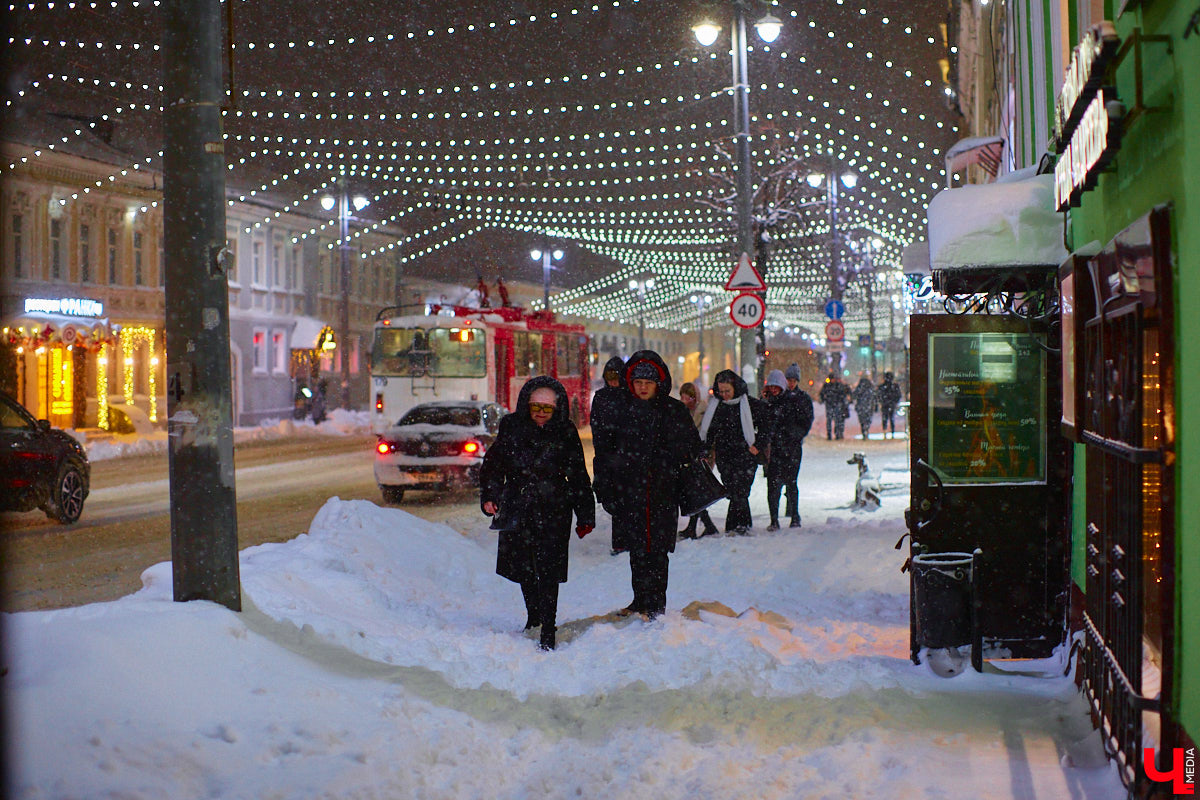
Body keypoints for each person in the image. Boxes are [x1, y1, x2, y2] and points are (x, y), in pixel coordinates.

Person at [479, 376, 595, 651]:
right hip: (517, 505)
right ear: (526, 405)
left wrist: (585, 513)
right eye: (536, 407)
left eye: (547, 409)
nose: (541, 413)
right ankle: (534, 617)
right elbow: (494, 464)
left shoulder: (565, 431)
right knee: (524, 567)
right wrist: (490, 496)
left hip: (554, 507)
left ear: (557, 409)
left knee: (549, 568)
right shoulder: (512, 426)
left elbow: (578, 474)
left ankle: (548, 627)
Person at [606, 350, 702, 619]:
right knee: (637, 550)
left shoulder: (674, 410)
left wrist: (669, 458)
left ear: (658, 383)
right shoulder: (622, 411)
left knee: (658, 551)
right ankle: (640, 600)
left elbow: (691, 447)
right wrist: (608, 485)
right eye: (638, 382)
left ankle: (656, 605)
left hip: (663, 491)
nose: (643, 388)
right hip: (631, 491)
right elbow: (608, 451)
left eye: (648, 383)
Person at [700, 369, 770, 534]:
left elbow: (766, 426)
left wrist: (758, 445)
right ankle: (740, 525)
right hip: (725, 455)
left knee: (741, 490)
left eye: (727, 391)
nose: (724, 395)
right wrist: (705, 449)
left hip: (746, 454)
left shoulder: (750, 405)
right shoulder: (717, 407)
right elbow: (710, 431)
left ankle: (737, 525)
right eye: (721, 391)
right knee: (732, 490)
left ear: (735, 388)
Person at [763, 366, 814, 530]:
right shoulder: (774, 401)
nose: (791, 383)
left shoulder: (797, 400)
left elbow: (804, 421)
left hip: (790, 447)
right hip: (778, 448)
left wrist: (793, 436)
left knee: (790, 483)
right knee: (775, 484)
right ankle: (776, 518)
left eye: (793, 380)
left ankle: (793, 515)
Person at [589, 356, 628, 555]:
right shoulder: (601, 397)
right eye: (610, 377)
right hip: (607, 457)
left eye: (617, 377)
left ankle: (621, 542)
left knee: (624, 501)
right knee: (611, 499)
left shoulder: (629, 397)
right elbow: (595, 425)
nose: (613, 382)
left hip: (626, 458)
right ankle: (622, 541)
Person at [677, 382, 719, 539]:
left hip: (702, 456)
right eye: (682, 397)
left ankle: (698, 527)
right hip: (690, 456)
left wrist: (706, 452)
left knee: (696, 491)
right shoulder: (682, 412)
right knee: (695, 492)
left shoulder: (703, 411)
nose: (684, 400)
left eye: (687, 397)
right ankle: (705, 526)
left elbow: (708, 433)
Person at [818, 372, 850, 440]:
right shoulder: (832, 385)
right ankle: (830, 434)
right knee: (832, 419)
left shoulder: (831, 385)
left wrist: (824, 399)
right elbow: (822, 393)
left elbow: (822, 393)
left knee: (835, 419)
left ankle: (836, 434)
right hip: (832, 404)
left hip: (834, 404)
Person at [852, 374, 878, 440]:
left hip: (861, 406)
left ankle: (864, 430)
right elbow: (875, 397)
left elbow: (854, 395)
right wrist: (875, 406)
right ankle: (866, 428)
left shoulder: (859, 387)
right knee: (868, 419)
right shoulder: (871, 387)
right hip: (869, 405)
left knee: (862, 420)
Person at [877, 371, 902, 438]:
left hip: (885, 404)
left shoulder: (882, 386)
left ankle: (885, 431)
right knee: (892, 418)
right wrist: (895, 402)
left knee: (885, 418)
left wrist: (881, 402)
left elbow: (879, 395)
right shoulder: (895, 386)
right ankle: (892, 431)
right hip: (891, 404)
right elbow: (898, 395)